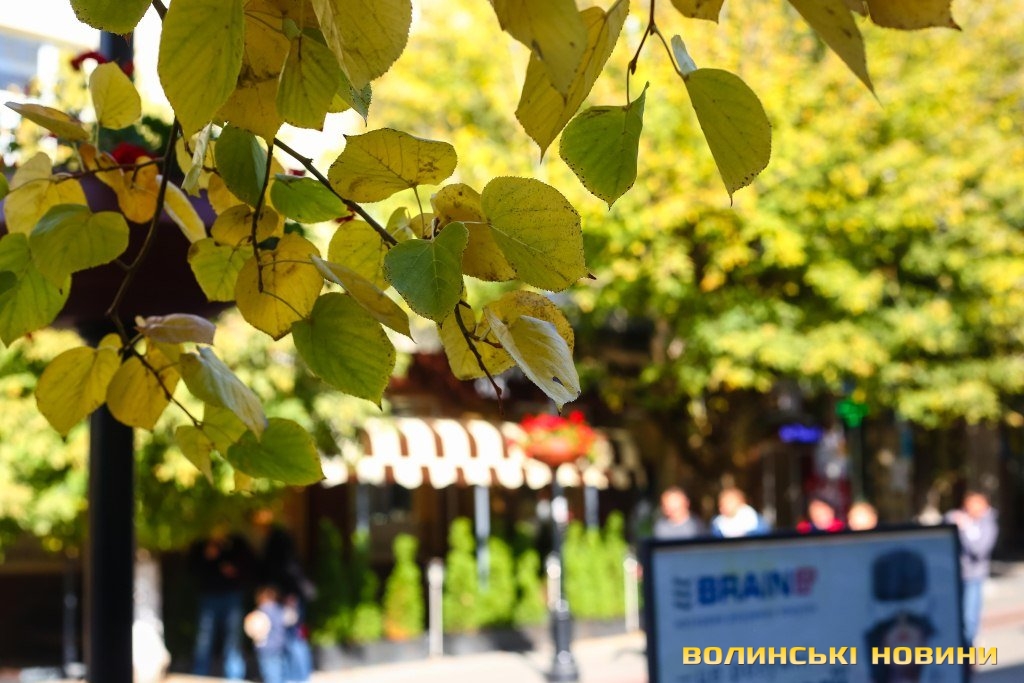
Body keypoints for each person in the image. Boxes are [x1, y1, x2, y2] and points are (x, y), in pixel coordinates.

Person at [252, 507, 315, 683]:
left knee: (293, 637)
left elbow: (288, 569)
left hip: (288, 595)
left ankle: (300, 678)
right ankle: (293, 677)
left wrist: (288, 594)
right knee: (287, 637)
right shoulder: (278, 540)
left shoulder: (278, 541)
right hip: (287, 594)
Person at [188, 524, 254, 680]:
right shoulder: (202, 543)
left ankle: (234, 675)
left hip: (232, 595)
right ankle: (200, 674)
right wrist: (206, 556)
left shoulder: (237, 542)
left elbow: (249, 566)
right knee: (204, 637)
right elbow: (192, 568)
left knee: (233, 637)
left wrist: (234, 570)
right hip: (208, 595)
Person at [945, 491, 998, 646]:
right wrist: (956, 520)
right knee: (954, 614)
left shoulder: (988, 524)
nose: (969, 509)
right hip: (955, 575)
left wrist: (966, 529)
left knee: (970, 615)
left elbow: (979, 550)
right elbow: (946, 520)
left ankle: (969, 645)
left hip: (973, 576)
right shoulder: (960, 517)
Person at [245, 585, 288, 683]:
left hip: (265, 647)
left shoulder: (261, 611)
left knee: (268, 672)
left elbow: (254, 628)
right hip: (279, 646)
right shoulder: (279, 610)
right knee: (278, 670)